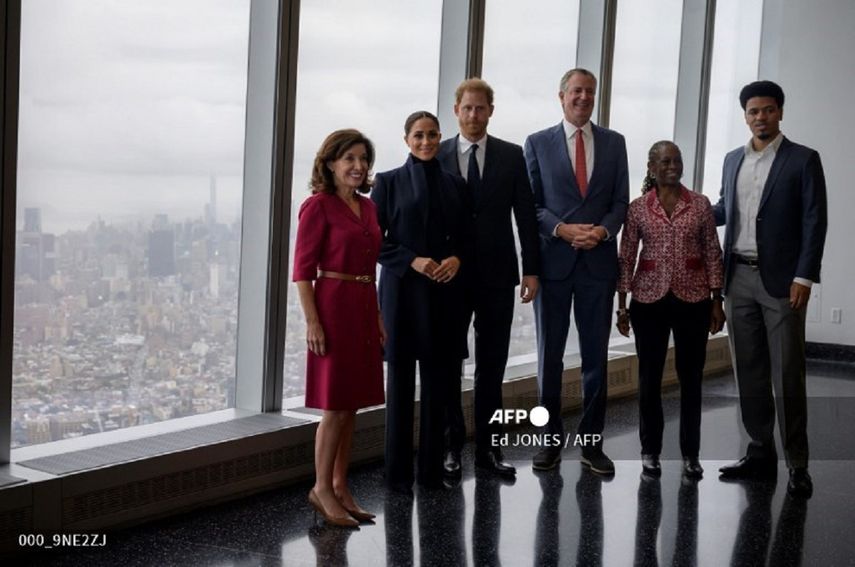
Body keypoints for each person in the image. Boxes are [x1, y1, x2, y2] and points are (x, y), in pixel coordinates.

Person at [714, 80, 828, 498]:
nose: (759, 117)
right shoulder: (732, 160)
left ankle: (798, 462)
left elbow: (815, 221)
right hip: (737, 279)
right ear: (745, 116)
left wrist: (804, 277)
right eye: (752, 111)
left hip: (782, 282)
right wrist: (682, 207)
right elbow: (725, 210)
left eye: (767, 110)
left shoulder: (802, 160)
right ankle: (759, 454)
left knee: (788, 375)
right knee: (749, 373)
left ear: (779, 112)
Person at [523, 68, 629, 474]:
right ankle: (548, 443)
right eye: (576, 91)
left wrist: (603, 230)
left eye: (590, 92)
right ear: (561, 95)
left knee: (595, 359)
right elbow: (530, 204)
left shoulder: (615, 143)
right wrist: (561, 228)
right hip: (554, 264)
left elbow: (621, 200)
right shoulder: (537, 143)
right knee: (550, 358)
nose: (583, 97)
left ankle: (591, 443)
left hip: (598, 264)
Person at [437, 78, 540, 479]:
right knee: (449, 365)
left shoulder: (512, 156)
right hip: (450, 278)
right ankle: (451, 448)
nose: (474, 115)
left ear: (490, 111)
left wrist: (531, 268)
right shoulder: (438, 155)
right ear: (456, 110)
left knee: (492, 365)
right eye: (467, 108)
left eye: (481, 108)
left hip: (498, 275)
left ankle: (489, 450)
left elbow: (526, 216)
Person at [372, 111, 469, 494]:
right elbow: (374, 241)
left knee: (438, 384)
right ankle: (396, 475)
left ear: (440, 137)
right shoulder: (388, 182)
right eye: (418, 135)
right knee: (398, 385)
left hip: (444, 293)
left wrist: (456, 258)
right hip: (402, 293)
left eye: (431, 135)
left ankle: (429, 472)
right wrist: (412, 260)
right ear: (406, 139)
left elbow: (466, 237)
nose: (426, 142)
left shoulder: (455, 184)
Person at [293, 129, 386, 526]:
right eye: (349, 158)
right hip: (333, 307)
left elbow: (370, 267)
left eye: (363, 158)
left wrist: (379, 316)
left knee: (352, 406)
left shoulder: (367, 208)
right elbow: (302, 271)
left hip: (364, 306)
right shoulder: (318, 206)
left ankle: (341, 485)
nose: (358, 166)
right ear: (330, 163)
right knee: (334, 408)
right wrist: (313, 321)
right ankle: (321, 489)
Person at [616, 141, 725, 479]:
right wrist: (621, 306)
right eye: (665, 161)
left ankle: (691, 454)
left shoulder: (701, 205)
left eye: (677, 160)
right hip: (648, 301)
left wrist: (717, 301)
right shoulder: (637, 209)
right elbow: (626, 256)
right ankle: (650, 451)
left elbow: (712, 252)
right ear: (652, 168)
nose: (672, 166)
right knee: (649, 380)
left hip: (693, 300)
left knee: (691, 380)